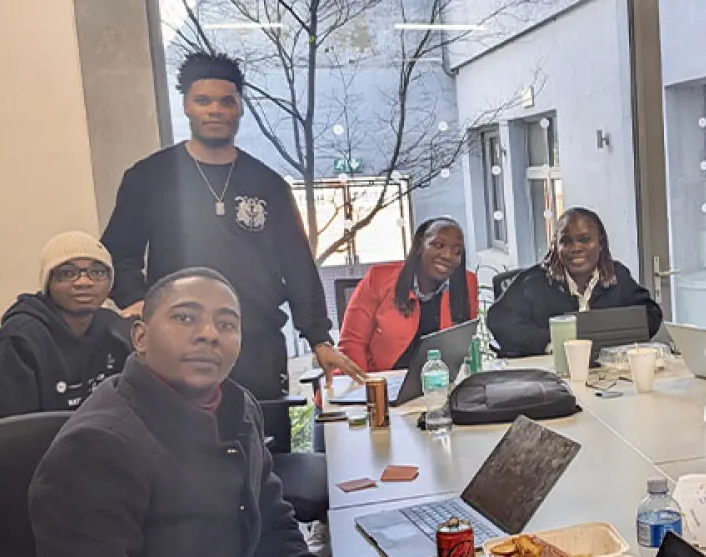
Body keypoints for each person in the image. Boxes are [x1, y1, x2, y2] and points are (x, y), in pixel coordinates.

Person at [30, 268, 338, 557]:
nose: (209, 334)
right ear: (140, 337)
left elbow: (270, 520)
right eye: (185, 317)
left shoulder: (237, 408)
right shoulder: (96, 449)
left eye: (226, 324)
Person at [100, 50, 363, 406]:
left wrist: (319, 338)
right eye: (203, 101)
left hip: (255, 344)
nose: (215, 110)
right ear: (187, 106)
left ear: (239, 107)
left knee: (263, 436)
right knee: (181, 437)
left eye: (226, 101)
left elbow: (297, 266)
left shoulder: (268, 184)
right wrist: (139, 303)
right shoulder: (150, 176)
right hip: (178, 346)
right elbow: (117, 253)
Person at [0, 231, 131, 426]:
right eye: (68, 273)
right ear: (48, 282)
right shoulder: (18, 340)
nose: (84, 282)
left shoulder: (115, 330)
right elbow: (2, 434)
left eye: (98, 272)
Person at [490, 207, 663, 357]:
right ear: (556, 246)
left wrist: (608, 336)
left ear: (601, 243)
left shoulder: (616, 276)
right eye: (566, 241)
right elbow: (499, 321)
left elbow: (650, 314)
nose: (575, 248)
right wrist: (552, 342)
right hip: (547, 373)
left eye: (585, 239)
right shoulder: (534, 281)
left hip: (606, 372)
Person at [338, 217, 478, 372]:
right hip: (382, 379)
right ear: (419, 246)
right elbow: (352, 343)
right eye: (438, 245)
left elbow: (464, 343)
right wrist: (366, 383)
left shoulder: (466, 284)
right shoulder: (378, 279)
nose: (447, 255)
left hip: (438, 380)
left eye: (457, 251)